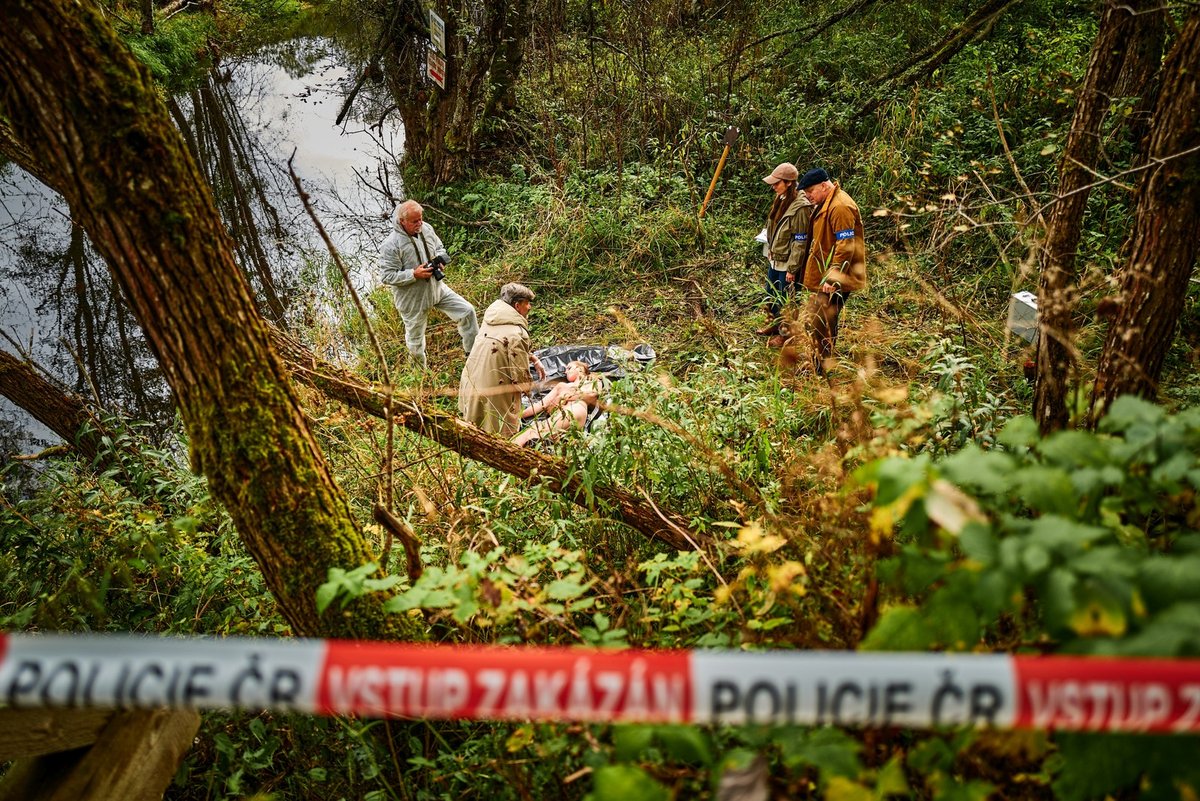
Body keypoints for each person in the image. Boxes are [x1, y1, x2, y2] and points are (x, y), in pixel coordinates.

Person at [379, 200, 478, 367]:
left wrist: (440, 259)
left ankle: (474, 356)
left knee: (467, 312)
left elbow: (439, 247)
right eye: (414, 221)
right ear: (402, 221)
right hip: (412, 299)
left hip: (437, 289)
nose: (419, 224)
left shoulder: (426, 228)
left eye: (421, 219)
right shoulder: (391, 245)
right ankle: (420, 377)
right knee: (416, 341)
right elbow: (387, 276)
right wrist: (413, 274)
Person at [787, 168, 866, 374]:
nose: (809, 196)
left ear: (824, 185)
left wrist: (832, 278)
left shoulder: (840, 207)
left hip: (835, 277)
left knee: (822, 321)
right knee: (820, 320)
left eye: (811, 191)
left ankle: (821, 367)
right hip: (826, 273)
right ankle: (819, 363)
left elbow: (845, 245)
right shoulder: (825, 203)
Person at [459, 283, 545, 435]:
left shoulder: (491, 318)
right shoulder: (518, 333)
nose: (530, 307)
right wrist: (531, 391)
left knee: (473, 428)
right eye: (527, 303)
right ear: (517, 306)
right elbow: (520, 377)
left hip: (471, 382)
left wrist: (532, 358)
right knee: (498, 433)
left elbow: (501, 343)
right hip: (494, 392)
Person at [758, 162, 813, 346]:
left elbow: (800, 240)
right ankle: (774, 325)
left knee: (786, 300)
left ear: (789, 183)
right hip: (775, 258)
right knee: (771, 294)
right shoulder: (781, 198)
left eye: (777, 183)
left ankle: (786, 334)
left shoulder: (801, 207)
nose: (773, 187)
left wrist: (793, 268)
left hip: (788, 263)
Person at [513, 360, 606, 447]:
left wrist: (562, 397)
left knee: (533, 434)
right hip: (557, 417)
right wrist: (518, 416)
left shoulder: (591, 379)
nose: (565, 372)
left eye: (569, 368)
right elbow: (541, 404)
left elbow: (592, 395)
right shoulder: (561, 386)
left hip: (575, 410)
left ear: (580, 369)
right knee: (526, 434)